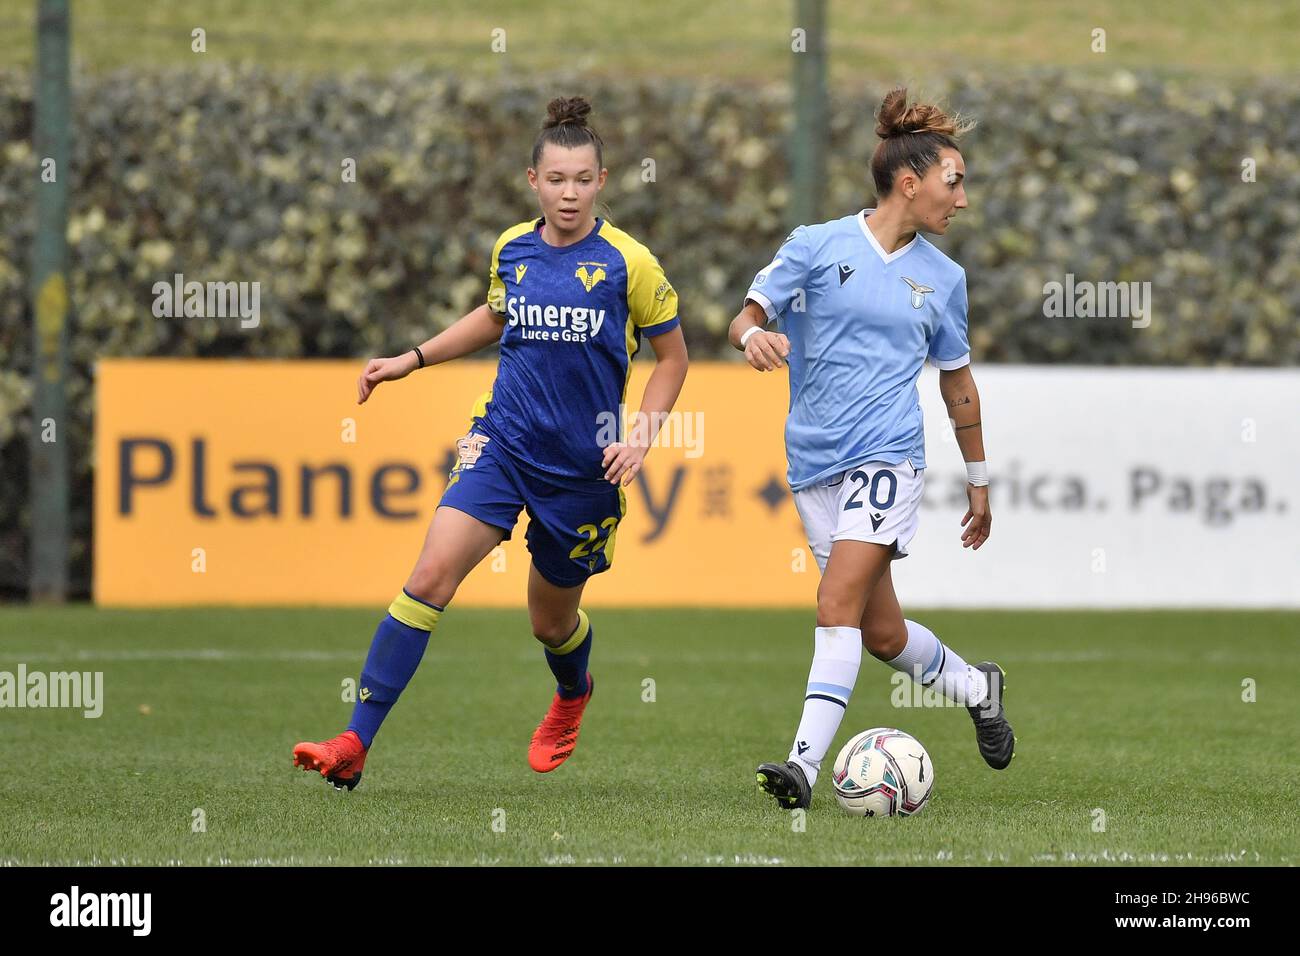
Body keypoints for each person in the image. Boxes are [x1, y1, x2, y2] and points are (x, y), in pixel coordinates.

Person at [293, 96, 689, 790]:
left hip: (583, 471)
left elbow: (674, 360)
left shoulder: (631, 263)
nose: (570, 192)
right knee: (428, 578)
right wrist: (411, 359)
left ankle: (572, 693)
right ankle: (356, 740)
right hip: (501, 443)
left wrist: (641, 438)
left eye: (584, 179)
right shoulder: (513, 248)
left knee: (550, 622)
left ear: (603, 180)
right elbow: (495, 316)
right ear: (532, 181)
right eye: (557, 179)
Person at [731, 87, 1015, 810]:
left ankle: (801, 765)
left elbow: (958, 386)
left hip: (889, 458)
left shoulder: (944, 281)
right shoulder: (816, 245)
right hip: (813, 461)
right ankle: (977, 688)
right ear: (909, 182)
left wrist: (978, 479)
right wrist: (752, 336)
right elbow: (748, 314)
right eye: (955, 182)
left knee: (833, 603)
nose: (963, 198)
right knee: (880, 630)